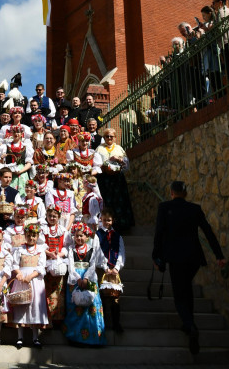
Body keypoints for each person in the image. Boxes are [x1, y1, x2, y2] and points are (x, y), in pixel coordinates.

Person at [152, 180, 226, 355]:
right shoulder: (195, 209)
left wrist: (156, 256)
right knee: (186, 287)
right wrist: (219, 255)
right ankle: (188, 323)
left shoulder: (164, 207)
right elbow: (208, 231)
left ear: (171, 192)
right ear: (185, 193)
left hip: (175, 257)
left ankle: (190, 325)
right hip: (193, 257)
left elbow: (159, 233)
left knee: (179, 294)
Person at [63, 221, 105, 346]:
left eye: (81, 235)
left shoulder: (92, 250)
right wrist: (78, 279)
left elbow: (92, 266)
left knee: (91, 307)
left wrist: (86, 278)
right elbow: (71, 267)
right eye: (77, 236)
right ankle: (75, 337)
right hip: (75, 280)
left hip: (89, 279)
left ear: (87, 236)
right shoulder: (71, 250)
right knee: (75, 307)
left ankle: (93, 338)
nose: (79, 238)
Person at [9, 222, 49, 347]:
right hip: (21, 280)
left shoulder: (40, 250)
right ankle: (20, 337)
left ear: (37, 237)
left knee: (35, 306)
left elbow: (41, 267)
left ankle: (35, 337)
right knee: (21, 305)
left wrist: (31, 276)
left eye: (33, 236)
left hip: (35, 280)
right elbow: (15, 264)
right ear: (25, 236)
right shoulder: (20, 250)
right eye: (29, 235)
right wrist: (19, 274)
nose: (31, 238)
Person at [95, 128, 134, 232]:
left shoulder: (119, 149)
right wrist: (106, 164)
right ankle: (105, 225)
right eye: (107, 136)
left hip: (117, 179)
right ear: (104, 138)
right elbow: (96, 164)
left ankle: (121, 225)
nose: (109, 138)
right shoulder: (99, 149)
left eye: (111, 136)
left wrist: (118, 159)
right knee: (106, 201)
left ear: (115, 138)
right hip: (104, 179)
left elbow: (126, 165)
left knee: (120, 201)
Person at [96, 206, 125, 334]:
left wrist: (117, 267)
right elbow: (98, 251)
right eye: (104, 220)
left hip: (113, 270)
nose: (107, 222)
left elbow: (121, 252)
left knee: (114, 296)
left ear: (113, 221)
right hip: (102, 269)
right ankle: (101, 324)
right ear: (101, 220)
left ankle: (116, 323)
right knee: (101, 296)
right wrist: (105, 266)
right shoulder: (97, 235)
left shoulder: (117, 236)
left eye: (109, 220)